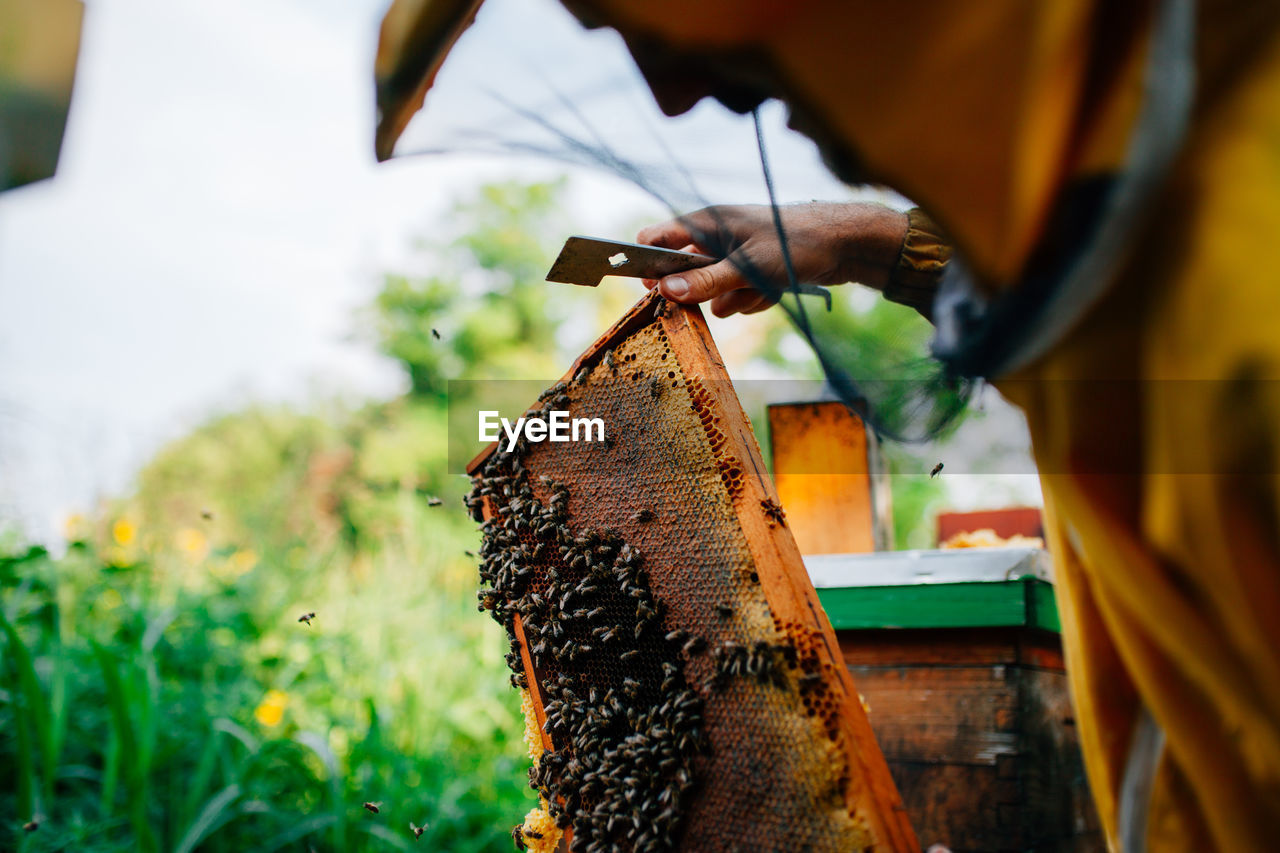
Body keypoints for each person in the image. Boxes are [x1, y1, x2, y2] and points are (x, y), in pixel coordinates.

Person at [375, 1, 1280, 849]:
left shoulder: (1242, 325)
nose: (673, 93)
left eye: (635, 16)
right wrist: (877, 241)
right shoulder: (1150, 213)